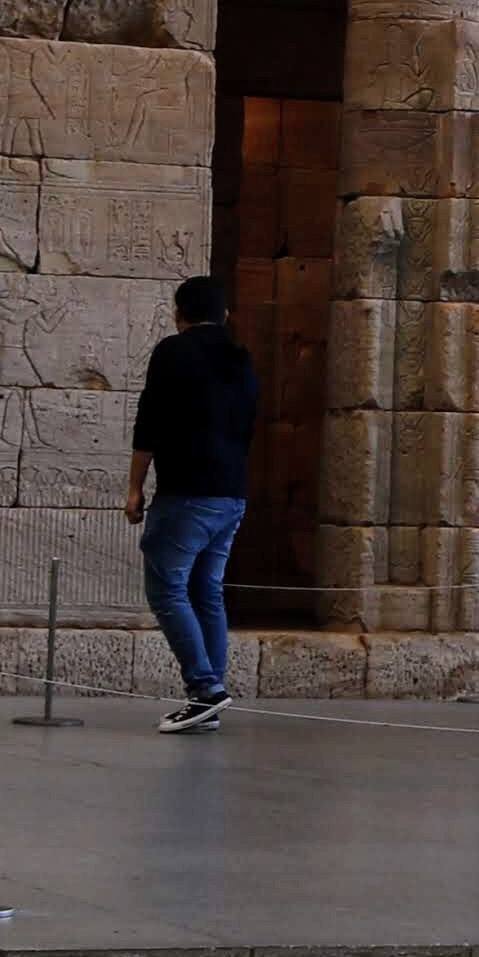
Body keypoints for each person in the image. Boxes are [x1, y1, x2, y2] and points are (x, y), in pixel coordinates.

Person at [125, 276, 262, 732]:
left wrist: (134, 487)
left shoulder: (174, 351)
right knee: (207, 591)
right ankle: (209, 695)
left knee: (166, 589)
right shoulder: (241, 360)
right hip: (231, 494)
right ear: (225, 315)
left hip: (188, 492)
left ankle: (205, 689)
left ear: (178, 313)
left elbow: (149, 423)